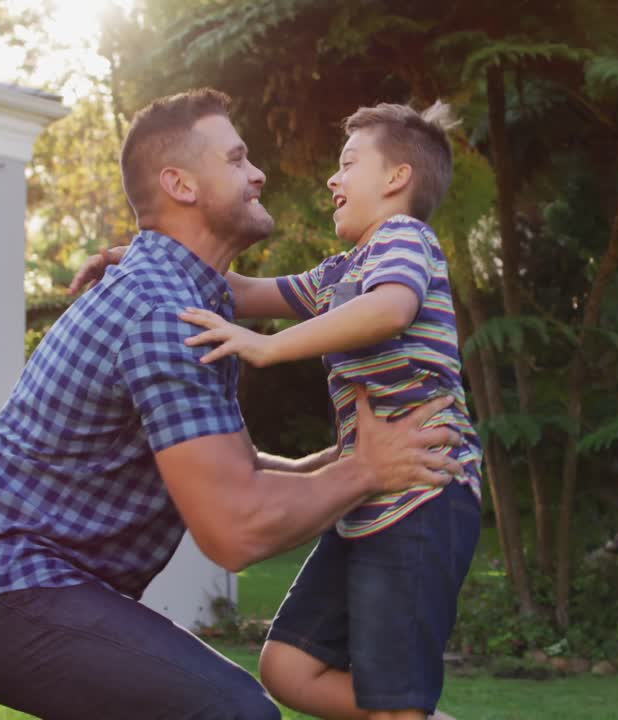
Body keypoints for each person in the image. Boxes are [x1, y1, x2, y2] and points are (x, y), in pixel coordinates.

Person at [0, 88, 462, 720]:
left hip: (10, 585)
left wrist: (343, 461)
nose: (259, 174)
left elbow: (241, 469)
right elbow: (235, 528)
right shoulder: (161, 312)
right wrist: (366, 471)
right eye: (237, 159)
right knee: (232, 712)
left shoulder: (185, 299)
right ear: (182, 185)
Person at [75, 101, 482, 720]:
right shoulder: (343, 272)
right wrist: (137, 256)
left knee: (392, 699)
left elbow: (391, 310)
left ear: (397, 179)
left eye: (348, 164)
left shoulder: (405, 241)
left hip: (424, 495)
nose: (332, 179)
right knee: (289, 668)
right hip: (371, 501)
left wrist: (269, 348)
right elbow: (244, 292)